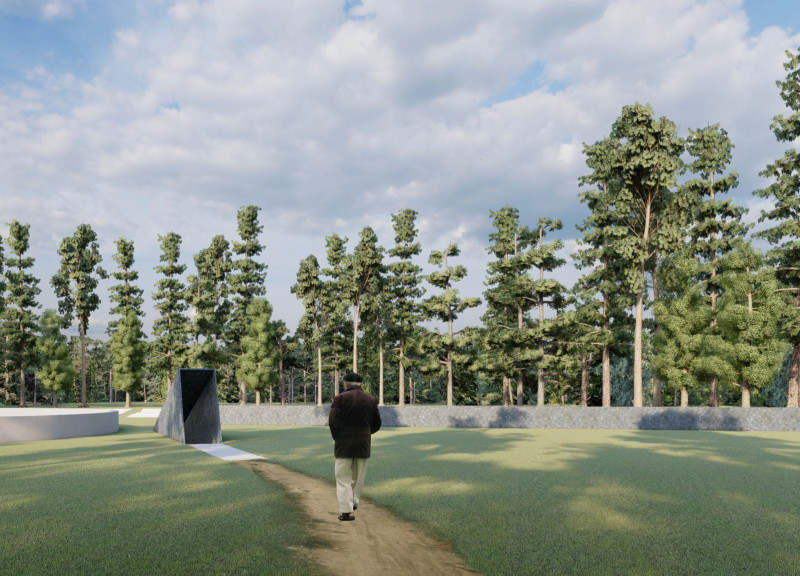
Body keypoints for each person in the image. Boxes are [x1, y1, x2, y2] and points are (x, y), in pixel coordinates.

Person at [328, 371, 382, 521]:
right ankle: (354, 503)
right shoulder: (371, 399)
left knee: (343, 477)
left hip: (344, 444)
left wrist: (338, 437)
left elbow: (333, 421)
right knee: (358, 477)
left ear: (345, 384)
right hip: (363, 444)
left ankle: (347, 511)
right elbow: (377, 424)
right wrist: (365, 434)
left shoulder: (339, 399)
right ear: (360, 384)